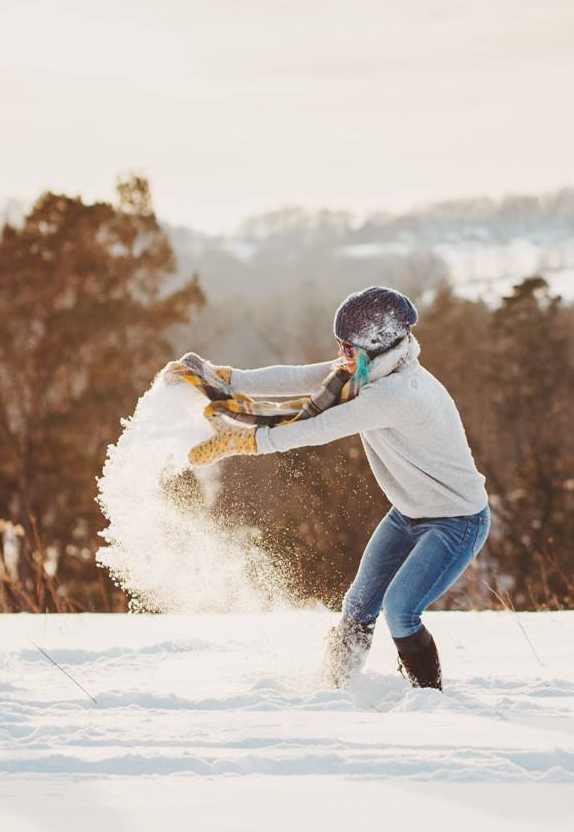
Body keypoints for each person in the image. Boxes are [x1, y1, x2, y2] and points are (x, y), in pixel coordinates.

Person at [171, 286, 489, 690]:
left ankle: (429, 700)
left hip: (456, 521)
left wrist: (250, 441)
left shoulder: (396, 394)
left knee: (401, 610)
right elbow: (300, 376)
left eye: (348, 347)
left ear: (377, 346)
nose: (341, 355)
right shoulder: (368, 371)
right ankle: (334, 689)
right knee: (358, 606)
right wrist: (229, 380)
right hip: (408, 513)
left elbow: (320, 428)